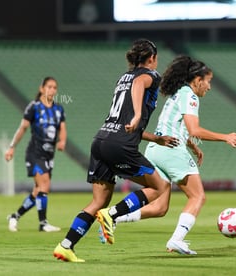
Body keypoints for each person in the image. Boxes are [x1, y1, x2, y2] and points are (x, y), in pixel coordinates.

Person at [98, 55, 236, 255]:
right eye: (208, 82)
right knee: (197, 196)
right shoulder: (189, 95)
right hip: (171, 150)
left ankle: (112, 216)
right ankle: (176, 240)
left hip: (156, 150)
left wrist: (192, 146)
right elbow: (194, 129)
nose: (209, 87)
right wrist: (225, 137)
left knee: (160, 208)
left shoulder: (178, 93)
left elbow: (176, 126)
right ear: (198, 80)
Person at [53, 39, 178, 263]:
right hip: (120, 145)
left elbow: (124, 123)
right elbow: (140, 85)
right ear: (151, 58)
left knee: (98, 200)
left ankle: (66, 245)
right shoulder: (150, 75)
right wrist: (138, 115)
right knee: (160, 187)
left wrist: (156, 138)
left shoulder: (122, 78)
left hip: (101, 140)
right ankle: (112, 215)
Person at [5, 77, 66, 232]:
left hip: (49, 156)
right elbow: (23, 128)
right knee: (45, 185)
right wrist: (12, 147)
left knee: (38, 191)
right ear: (42, 88)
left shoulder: (58, 109)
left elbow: (62, 129)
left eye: (54, 87)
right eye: (49, 87)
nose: (52, 90)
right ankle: (43, 223)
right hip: (34, 154)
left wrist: (62, 141)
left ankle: (15, 216)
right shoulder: (34, 107)